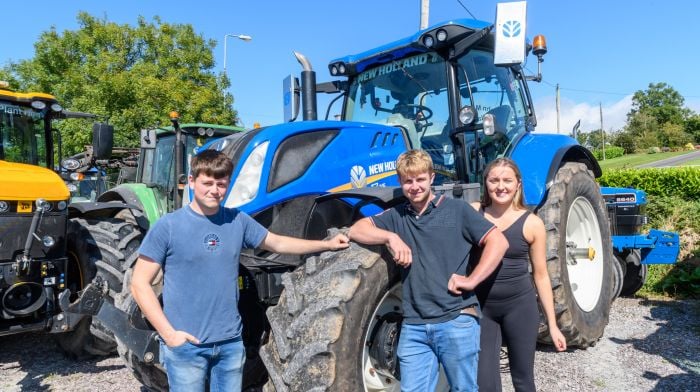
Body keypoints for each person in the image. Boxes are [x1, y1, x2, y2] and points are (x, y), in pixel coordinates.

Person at [130, 150, 349, 392]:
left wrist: (325, 244)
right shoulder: (168, 227)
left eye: (221, 184)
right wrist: (169, 335)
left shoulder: (237, 221)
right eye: (208, 183)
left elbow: (277, 243)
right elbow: (140, 284)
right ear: (191, 182)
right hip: (187, 348)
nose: (215, 190)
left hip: (230, 345)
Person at [348, 149, 509, 391]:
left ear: (432, 178)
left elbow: (498, 241)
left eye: (420, 179)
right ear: (401, 182)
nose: (415, 186)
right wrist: (390, 237)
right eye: (408, 181)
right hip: (414, 326)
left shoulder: (458, 210)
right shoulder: (397, 216)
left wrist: (472, 280)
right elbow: (356, 229)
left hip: (456, 319)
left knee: (463, 389)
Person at [471, 158, 567, 392]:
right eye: (494, 180)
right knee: (484, 384)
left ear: (518, 184)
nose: (500, 186)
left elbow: (541, 276)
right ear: (486, 183)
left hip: (520, 308)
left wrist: (553, 325)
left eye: (507, 180)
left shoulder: (532, 223)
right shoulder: (474, 212)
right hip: (483, 309)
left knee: (523, 380)